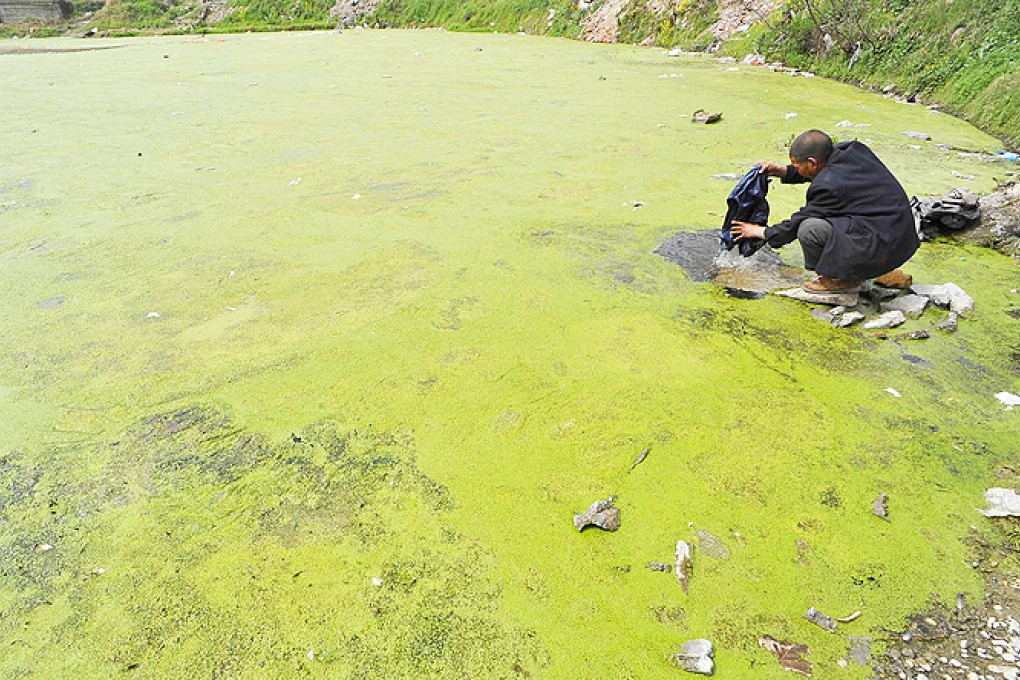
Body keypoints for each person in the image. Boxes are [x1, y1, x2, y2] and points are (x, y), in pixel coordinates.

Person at [729, 130, 918, 293]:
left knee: (809, 229)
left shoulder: (827, 187)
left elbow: (796, 224)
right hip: (899, 236)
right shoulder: (852, 150)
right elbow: (827, 171)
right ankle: (870, 269)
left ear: (812, 163)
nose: (795, 168)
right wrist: (783, 172)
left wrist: (759, 231)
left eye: (796, 165)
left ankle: (837, 281)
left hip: (884, 243)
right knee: (830, 222)